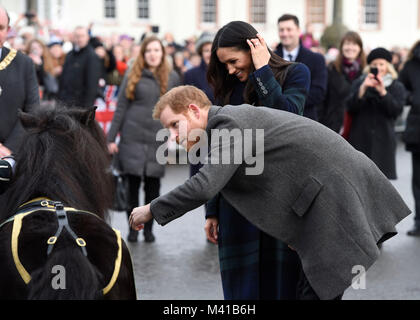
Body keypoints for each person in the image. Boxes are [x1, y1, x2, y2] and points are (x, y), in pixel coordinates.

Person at [129, 85, 410, 300]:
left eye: (174, 125)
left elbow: (205, 185)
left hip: (336, 198)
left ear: (193, 110)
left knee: (315, 292)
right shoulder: (225, 125)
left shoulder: (227, 123)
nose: (173, 136)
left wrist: (151, 209)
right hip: (327, 199)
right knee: (313, 291)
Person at [204, 21, 310, 300]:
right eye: (224, 64)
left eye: (234, 61)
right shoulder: (228, 87)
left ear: (254, 48)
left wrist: (263, 71)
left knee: (283, 287)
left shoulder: (296, 73)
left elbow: (287, 118)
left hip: (282, 199)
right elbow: (216, 149)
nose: (229, 69)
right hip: (237, 204)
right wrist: (212, 209)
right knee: (242, 292)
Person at [107, 36, 181, 243]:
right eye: (149, 50)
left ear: (162, 53)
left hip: (158, 138)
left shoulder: (172, 76)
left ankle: (148, 229)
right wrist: (111, 138)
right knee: (131, 186)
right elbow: (121, 106)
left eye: (157, 50)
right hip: (132, 136)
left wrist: (177, 133)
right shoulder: (133, 74)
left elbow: (178, 109)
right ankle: (133, 228)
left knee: (153, 187)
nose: (153, 54)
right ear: (143, 53)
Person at [0, 6, 39, 211]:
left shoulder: (23, 64)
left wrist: (8, 149)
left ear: (7, 31)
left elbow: (32, 110)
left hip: (14, 157)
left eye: (0, 27)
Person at [346, 47, 406, 180]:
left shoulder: (396, 87)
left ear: (388, 66)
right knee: (359, 182)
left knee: (381, 186)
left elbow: (396, 111)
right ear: (369, 67)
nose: (378, 67)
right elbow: (350, 107)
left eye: (381, 64)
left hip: (384, 142)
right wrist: (362, 89)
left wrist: (383, 92)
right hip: (360, 141)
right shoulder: (360, 83)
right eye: (374, 65)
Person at [274, 14, 327, 121]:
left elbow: (319, 92)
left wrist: (290, 102)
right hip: (276, 120)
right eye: (281, 30)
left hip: (306, 120)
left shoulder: (316, 59)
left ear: (298, 31)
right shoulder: (270, 58)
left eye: (289, 29)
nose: (285, 33)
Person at [318, 31, 366, 133]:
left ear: (360, 48)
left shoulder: (365, 71)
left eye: (354, 44)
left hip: (359, 124)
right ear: (342, 47)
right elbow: (323, 98)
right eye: (347, 44)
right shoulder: (331, 69)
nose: (350, 48)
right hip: (334, 123)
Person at [399, 40, 420, 236]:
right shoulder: (412, 64)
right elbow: (401, 87)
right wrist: (413, 98)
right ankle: (419, 222)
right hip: (418, 129)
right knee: (419, 180)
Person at [57, 26, 101, 108]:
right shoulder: (69, 54)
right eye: (77, 36)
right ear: (73, 37)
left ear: (87, 37)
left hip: (80, 105)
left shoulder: (92, 56)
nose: (80, 39)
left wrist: (86, 109)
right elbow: (63, 79)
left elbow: (92, 86)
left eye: (82, 36)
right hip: (65, 103)